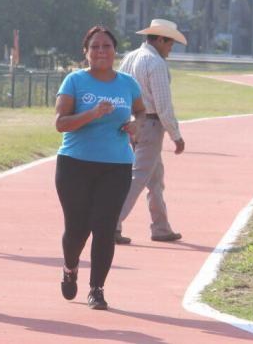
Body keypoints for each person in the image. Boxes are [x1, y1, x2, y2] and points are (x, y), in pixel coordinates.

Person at [55, 26, 144, 310]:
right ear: (86, 52)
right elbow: (61, 123)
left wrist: (137, 124)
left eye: (106, 46)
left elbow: (141, 111)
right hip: (75, 164)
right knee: (78, 228)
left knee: (104, 227)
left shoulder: (127, 83)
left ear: (114, 51)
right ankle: (70, 269)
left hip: (116, 165)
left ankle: (97, 289)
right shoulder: (75, 81)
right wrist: (93, 113)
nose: (101, 51)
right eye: (94, 47)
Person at [114, 19, 186, 245]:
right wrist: (176, 135)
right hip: (151, 125)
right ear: (160, 39)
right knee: (138, 177)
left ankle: (161, 227)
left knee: (154, 179)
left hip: (132, 123)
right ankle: (112, 224)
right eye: (170, 43)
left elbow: (120, 89)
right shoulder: (155, 63)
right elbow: (163, 105)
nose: (170, 48)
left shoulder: (130, 57)